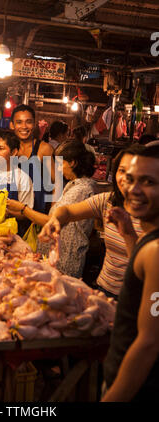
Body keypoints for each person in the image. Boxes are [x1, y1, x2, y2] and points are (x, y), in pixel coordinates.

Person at [39, 144, 146, 299]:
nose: (125, 178)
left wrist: (128, 233)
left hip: (135, 297)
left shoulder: (151, 215)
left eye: (134, 172)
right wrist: (57, 219)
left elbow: (143, 269)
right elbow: (68, 211)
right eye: (122, 170)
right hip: (104, 288)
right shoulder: (107, 201)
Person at [102, 145, 159, 402]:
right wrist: (127, 232)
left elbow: (150, 343)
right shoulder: (149, 244)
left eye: (148, 182)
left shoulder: (157, 250)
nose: (133, 190)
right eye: (131, 179)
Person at [6, 140, 96, 278]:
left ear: (73, 163)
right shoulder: (73, 185)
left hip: (65, 261)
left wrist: (23, 209)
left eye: (60, 164)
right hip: (56, 258)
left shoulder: (81, 190)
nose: (58, 169)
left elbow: (52, 221)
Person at [9, 104, 55, 216]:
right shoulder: (6, 148)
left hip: (35, 215)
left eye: (28, 122)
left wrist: (53, 212)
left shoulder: (44, 149)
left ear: (34, 124)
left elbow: (56, 183)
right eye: (19, 122)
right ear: (12, 125)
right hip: (9, 212)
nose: (24, 126)